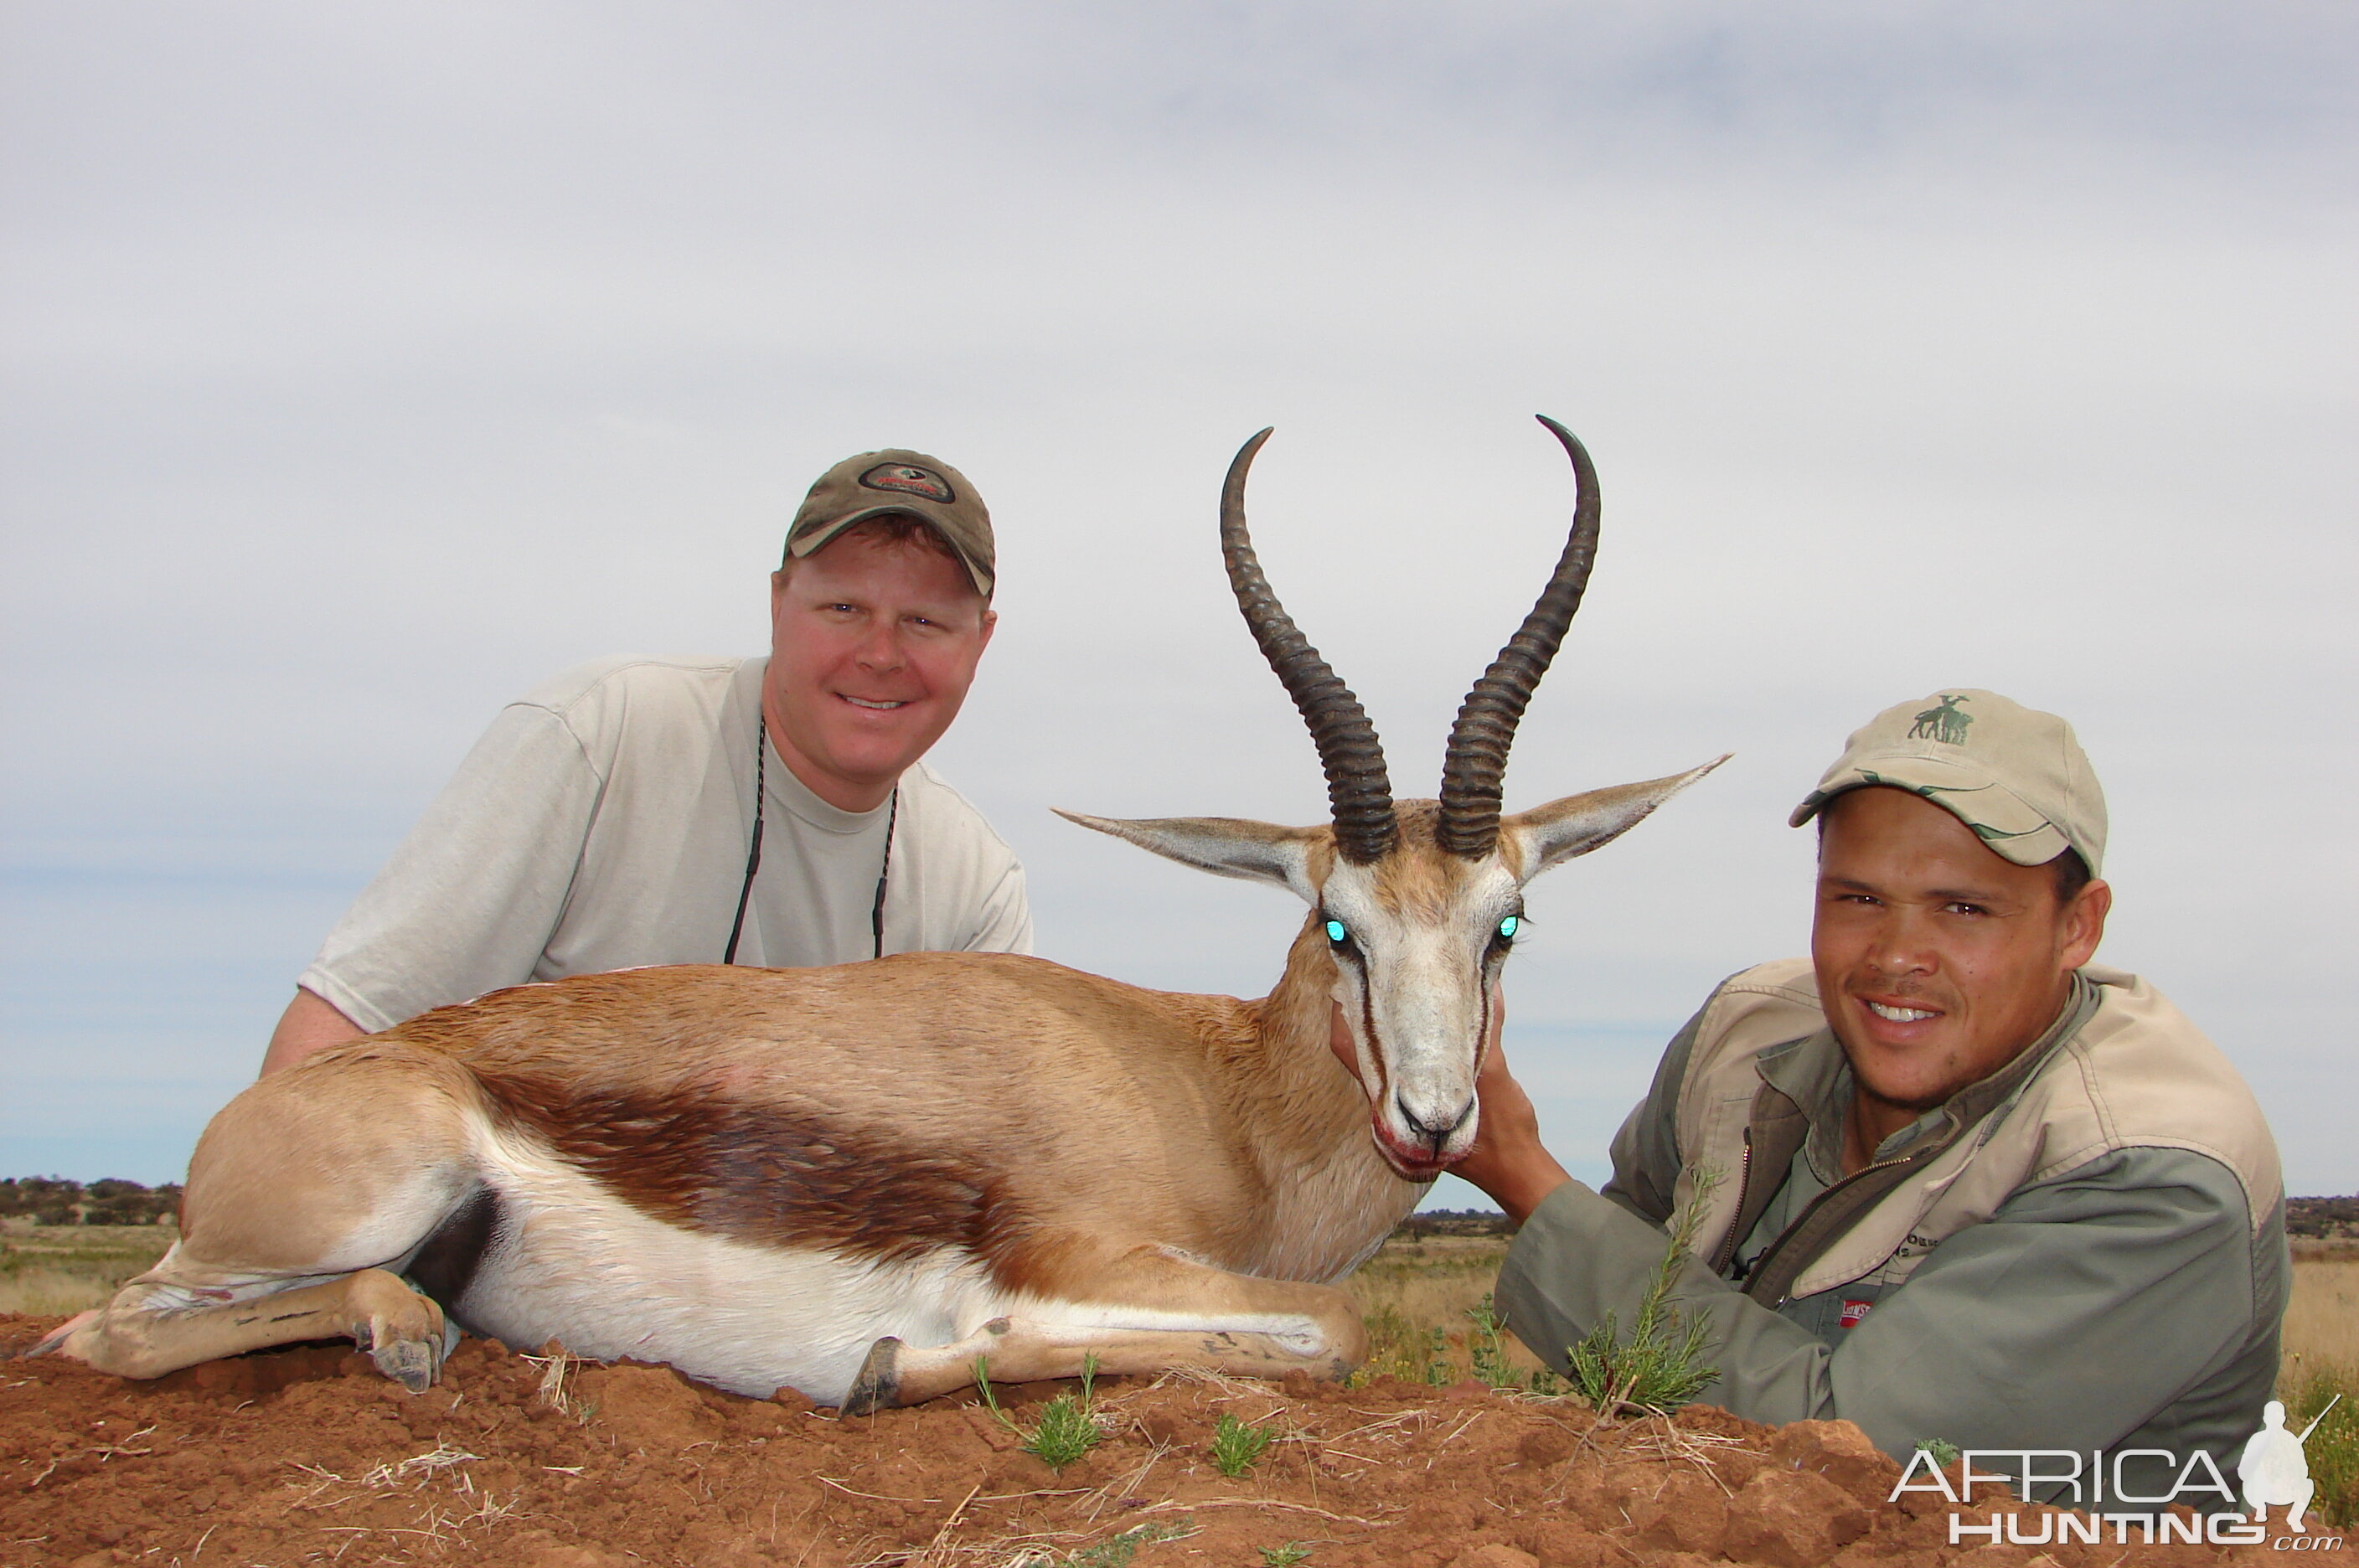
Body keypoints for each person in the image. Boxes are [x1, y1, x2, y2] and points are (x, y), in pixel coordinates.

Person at [1453, 689, 2288, 1494]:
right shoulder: (1742, 1037)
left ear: (2077, 925)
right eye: (1857, 898)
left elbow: (1858, 1455)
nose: (1894, 955)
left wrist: (1522, 1174)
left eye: (1961, 909)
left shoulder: (2152, 1172)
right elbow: (1633, 1249)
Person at [261, 448, 1031, 1075]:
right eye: (843, 609)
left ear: (982, 640)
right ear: (776, 602)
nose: (880, 655)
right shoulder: (599, 733)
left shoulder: (976, 884)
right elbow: (341, 1038)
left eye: (925, 622)